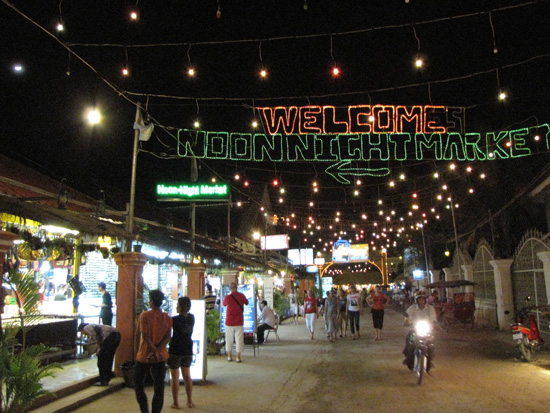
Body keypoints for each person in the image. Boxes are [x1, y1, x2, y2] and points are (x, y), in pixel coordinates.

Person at [134, 289, 172, 413]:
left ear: (151, 301)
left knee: (138, 383)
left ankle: (144, 409)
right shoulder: (167, 317)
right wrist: (158, 350)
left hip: (144, 355)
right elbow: (168, 337)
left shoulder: (144, 316)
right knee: (159, 386)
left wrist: (153, 350)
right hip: (160, 356)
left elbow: (145, 336)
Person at [168, 296, 195, 409]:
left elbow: (169, 334)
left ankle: (176, 403)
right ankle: (189, 401)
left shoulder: (173, 320)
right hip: (188, 349)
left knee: (175, 376)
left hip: (175, 350)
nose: (176, 306)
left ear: (181, 306)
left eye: (177, 304)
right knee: (187, 375)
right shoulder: (191, 318)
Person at [402, 294, 437, 370]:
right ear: (417, 300)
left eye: (423, 299)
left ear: (425, 300)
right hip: (414, 329)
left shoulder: (430, 308)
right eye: (419, 299)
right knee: (409, 339)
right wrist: (407, 321)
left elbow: (433, 318)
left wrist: (434, 323)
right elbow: (407, 316)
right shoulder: (412, 308)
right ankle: (407, 356)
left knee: (431, 343)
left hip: (427, 330)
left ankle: (429, 360)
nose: (421, 301)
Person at [222, 282, 249, 363]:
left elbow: (224, 304)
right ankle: (238, 357)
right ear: (237, 288)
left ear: (230, 288)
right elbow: (247, 302)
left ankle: (229, 356)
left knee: (229, 339)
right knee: (239, 339)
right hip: (239, 321)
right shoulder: (241, 296)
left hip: (229, 321)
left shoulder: (227, 297)